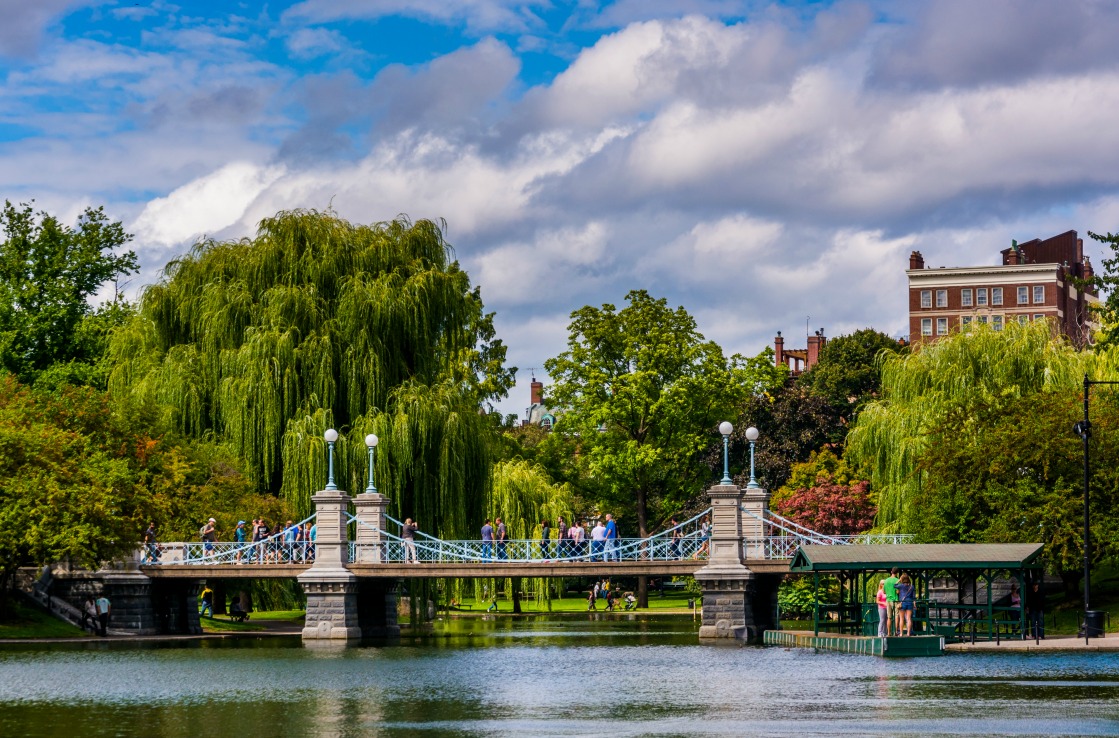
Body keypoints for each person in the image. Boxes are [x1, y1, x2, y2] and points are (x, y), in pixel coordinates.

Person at [884, 567, 900, 637]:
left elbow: (884, 591)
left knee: (889, 617)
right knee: (896, 616)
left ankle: (889, 633)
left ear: (891, 572)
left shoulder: (886, 581)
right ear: (897, 573)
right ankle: (896, 632)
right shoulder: (897, 580)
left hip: (888, 600)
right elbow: (898, 591)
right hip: (895, 600)